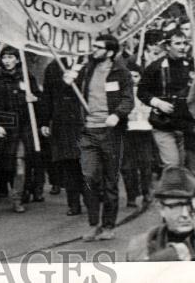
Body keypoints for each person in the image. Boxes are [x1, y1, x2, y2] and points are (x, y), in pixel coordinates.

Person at [71, 34, 134, 241]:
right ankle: (93, 223)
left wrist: (117, 115)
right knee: (89, 177)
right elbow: (71, 87)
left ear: (110, 52)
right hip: (88, 131)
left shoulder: (121, 72)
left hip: (110, 133)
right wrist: (68, 79)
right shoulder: (87, 68)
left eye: (98, 47)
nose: (93, 50)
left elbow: (128, 100)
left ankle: (108, 226)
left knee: (110, 181)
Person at [0, 48, 40, 213]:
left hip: (23, 127)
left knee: (20, 161)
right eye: (4, 58)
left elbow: (39, 97)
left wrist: (35, 99)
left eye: (10, 57)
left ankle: (17, 198)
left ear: (17, 60)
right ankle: (15, 191)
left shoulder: (27, 76)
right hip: (5, 128)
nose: (7, 61)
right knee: (5, 164)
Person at [139, 31, 195, 167]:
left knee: (185, 165)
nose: (182, 47)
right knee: (173, 165)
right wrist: (158, 103)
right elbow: (142, 92)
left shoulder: (192, 66)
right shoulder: (155, 67)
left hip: (186, 124)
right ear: (168, 46)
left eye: (184, 43)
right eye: (177, 43)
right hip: (164, 123)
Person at [39, 58, 86, 216]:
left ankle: (90, 197)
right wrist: (44, 121)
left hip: (84, 119)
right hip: (63, 121)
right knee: (69, 163)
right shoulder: (54, 66)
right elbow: (47, 95)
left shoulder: (89, 64)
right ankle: (73, 203)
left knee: (86, 161)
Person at [125, 165, 195, 261]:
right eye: (176, 206)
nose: (185, 214)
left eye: (191, 206)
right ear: (161, 209)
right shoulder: (140, 247)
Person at [123, 68, 155, 209]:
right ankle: (131, 195)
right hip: (127, 131)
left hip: (145, 130)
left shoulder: (146, 92)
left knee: (146, 163)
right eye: (130, 76)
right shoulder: (122, 92)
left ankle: (146, 191)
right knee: (128, 166)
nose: (133, 79)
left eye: (136, 76)